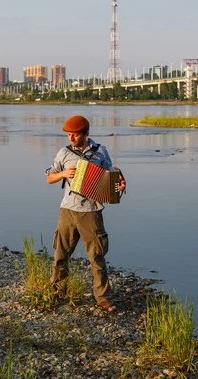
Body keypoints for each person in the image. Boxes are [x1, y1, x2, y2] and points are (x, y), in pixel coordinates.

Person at [45, 115, 126, 312]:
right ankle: (58, 291)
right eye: (69, 135)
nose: (71, 138)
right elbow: (49, 178)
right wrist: (63, 174)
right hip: (68, 209)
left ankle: (102, 298)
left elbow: (112, 175)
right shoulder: (63, 153)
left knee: (97, 256)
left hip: (91, 210)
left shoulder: (100, 152)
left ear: (86, 133)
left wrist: (119, 184)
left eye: (75, 135)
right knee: (61, 254)